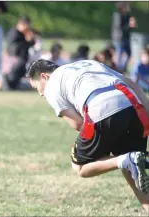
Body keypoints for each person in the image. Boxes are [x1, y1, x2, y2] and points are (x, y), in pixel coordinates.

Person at [26, 59, 149, 212]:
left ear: (44, 77)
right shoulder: (88, 63)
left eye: (36, 87)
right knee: (133, 168)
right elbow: (131, 83)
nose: (40, 93)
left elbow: (78, 125)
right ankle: (131, 159)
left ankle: (127, 159)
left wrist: (103, 140)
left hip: (101, 108)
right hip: (133, 106)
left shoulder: (52, 85)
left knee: (79, 166)